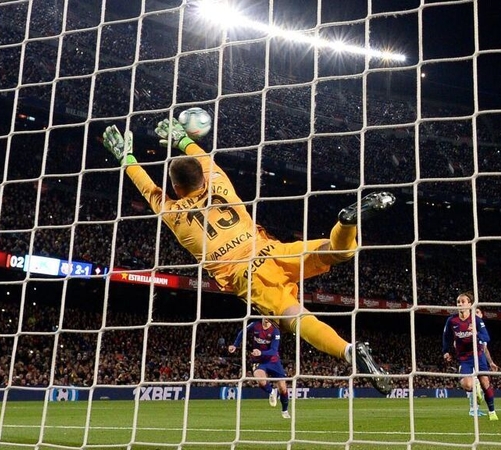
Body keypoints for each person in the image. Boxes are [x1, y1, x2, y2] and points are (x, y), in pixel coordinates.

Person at [102, 121, 395, 394]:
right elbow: (203, 158)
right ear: (202, 177)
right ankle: (346, 223)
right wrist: (182, 140)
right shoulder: (218, 181)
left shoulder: (175, 215)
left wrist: (126, 157)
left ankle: (347, 350)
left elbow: (148, 189)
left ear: (177, 189)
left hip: (247, 272)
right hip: (273, 250)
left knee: (295, 316)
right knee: (338, 252)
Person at [442, 292, 498, 421]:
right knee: (467, 385)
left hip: (478, 356)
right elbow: (446, 337)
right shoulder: (451, 320)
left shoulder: (476, 320)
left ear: (470, 304)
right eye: (458, 302)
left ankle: (492, 412)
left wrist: (476, 333)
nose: (460, 304)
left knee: (485, 382)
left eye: (463, 301)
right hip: (464, 358)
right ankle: (475, 388)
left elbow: (486, 337)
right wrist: (446, 351)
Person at [229, 318, 290, 418]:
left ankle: (284, 410)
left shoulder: (275, 331)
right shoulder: (255, 325)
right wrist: (235, 345)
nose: (267, 319)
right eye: (265, 316)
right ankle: (271, 392)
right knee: (260, 379)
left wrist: (261, 352)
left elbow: (274, 350)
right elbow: (243, 331)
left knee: (283, 388)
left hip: (273, 361)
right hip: (259, 361)